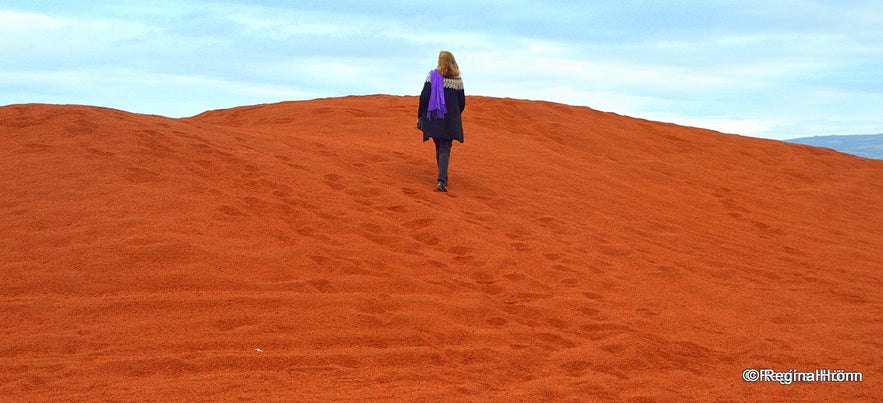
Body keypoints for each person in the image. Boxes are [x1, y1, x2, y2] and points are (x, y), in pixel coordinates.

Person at [418, 50, 465, 193]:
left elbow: (424, 97)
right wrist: (455, 115)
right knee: (444, 147)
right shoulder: (457, 80)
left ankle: (442, 178)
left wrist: (421, 114)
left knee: (439, 145)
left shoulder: (432, 77)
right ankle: (442, 179)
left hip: (434, 118)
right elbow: (461, 102)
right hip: (450, 120)